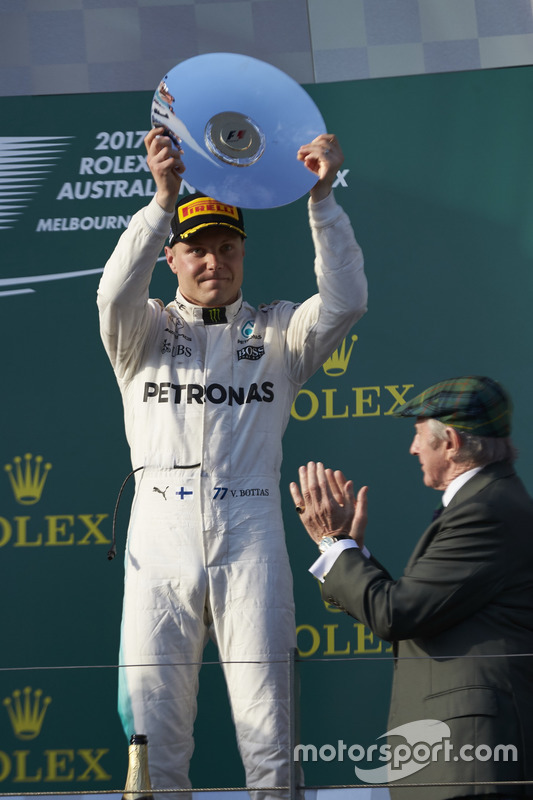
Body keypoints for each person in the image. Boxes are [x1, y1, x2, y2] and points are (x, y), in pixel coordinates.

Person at [97, 126, 367, 799]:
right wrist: (161, 201)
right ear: (172, 257)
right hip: (157, 531)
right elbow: (111, 294)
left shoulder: (278, 330)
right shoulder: (143, 332)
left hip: (248, 524)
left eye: (226, 246)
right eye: (196, 249)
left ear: (242, 251)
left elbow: (345, 301)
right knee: (155, 730)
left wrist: (322, 202)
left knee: (267, 724)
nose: (213, 260)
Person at [290, 376, 533, 800]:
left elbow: (396, 613)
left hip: (469, 763)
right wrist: (350, 551)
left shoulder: (486, 511)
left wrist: (332, 542)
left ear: (451, 441)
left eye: (419, 436)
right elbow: (417, 605)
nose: (413, 449)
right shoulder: (488, 502)